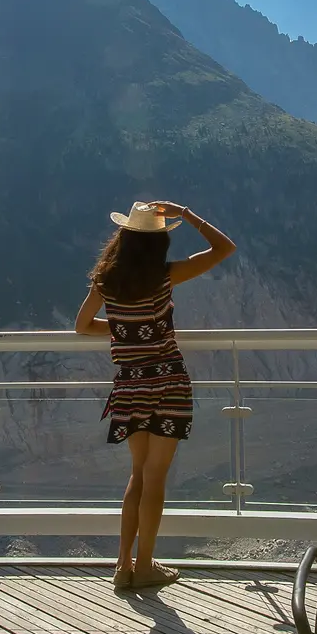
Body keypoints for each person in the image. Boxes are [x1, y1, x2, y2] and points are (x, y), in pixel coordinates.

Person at [76, 200, 236, 590]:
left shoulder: (105, 280)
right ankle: (145, 565)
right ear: (158, 242)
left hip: (130, 385)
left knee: (137, 474)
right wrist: (189, 213)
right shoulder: (165, 276)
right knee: (156, 477)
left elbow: (82, 326)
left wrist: (123, 331)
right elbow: (223, 249)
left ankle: (122, 565)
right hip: (168, 383)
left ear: (125, 238)